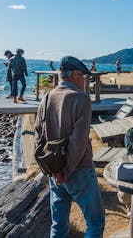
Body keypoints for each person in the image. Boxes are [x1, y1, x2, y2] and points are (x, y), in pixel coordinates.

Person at [34, 56, 105, 238]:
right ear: (74, 74)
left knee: (58, 225)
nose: (84, 80)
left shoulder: (47, 98)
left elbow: (38, 137)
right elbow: (78, 141)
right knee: (95, 222)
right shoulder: (82, 99)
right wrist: (65, 171)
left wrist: (52, 170)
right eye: (82, 76)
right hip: (79, 169)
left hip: (54, 169)